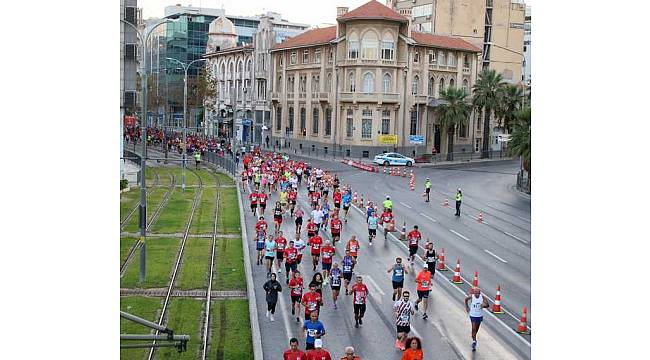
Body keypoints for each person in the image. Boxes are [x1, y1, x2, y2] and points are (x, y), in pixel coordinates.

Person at [465, 287, 490, 351]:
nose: (477, 295)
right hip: (473, 315)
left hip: (479, 315)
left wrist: (484, 306)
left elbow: (488, 305)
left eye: (478, 293)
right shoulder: (471, 296)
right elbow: (466, 299)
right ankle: (474, 341)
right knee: (473, 328)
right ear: (474, 293)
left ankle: (473, 336)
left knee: (476, 329)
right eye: (476, 293)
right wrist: (467, 307)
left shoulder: (482, 297)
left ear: (480, 293)